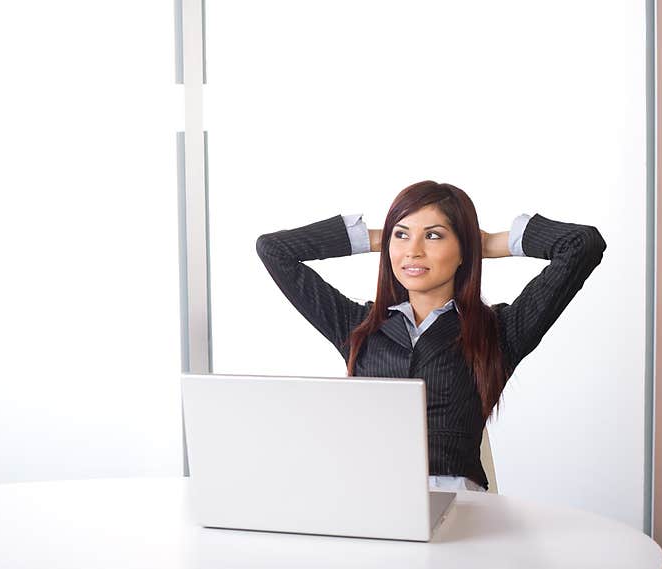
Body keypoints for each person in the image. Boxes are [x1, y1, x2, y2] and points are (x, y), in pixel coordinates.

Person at [255, 180, 606, 492]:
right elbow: (274, 249)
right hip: (368, 499)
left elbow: (582, 244)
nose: (413, 251)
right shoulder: (356, 325)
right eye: (403, 235)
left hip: (457, 509)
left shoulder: (500, 331)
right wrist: (380, 236)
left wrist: (490, 244)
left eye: (434, 235)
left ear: (463, 250)